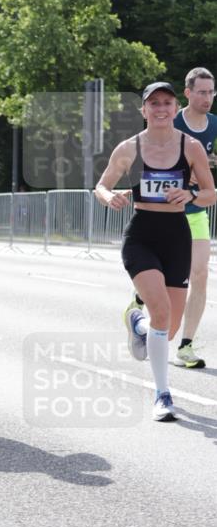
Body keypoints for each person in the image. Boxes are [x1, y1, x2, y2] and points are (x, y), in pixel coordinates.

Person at [95, 82, 215, 422]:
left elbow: (210, 193)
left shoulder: (190, 147)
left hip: (178, 237)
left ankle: (138, 322)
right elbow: (101, 185)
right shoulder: (129, 147)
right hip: (142, 236)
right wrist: (110, 197)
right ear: (144, 110)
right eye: (153, 103)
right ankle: (163, 395)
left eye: (166, 102)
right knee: (161, 311)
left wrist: (191, 196)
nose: (160, 109)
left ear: (175, 107)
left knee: (169, 328)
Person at [172, 67, 217, 368]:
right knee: (167, 276)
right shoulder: (171, 120)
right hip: (166, 210)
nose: (207, 98)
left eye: (211, 92)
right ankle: (139, 300)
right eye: (201, 92)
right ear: (187, 93)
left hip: (197, 208)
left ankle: (185, 346)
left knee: (199, 274)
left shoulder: (214, 124)